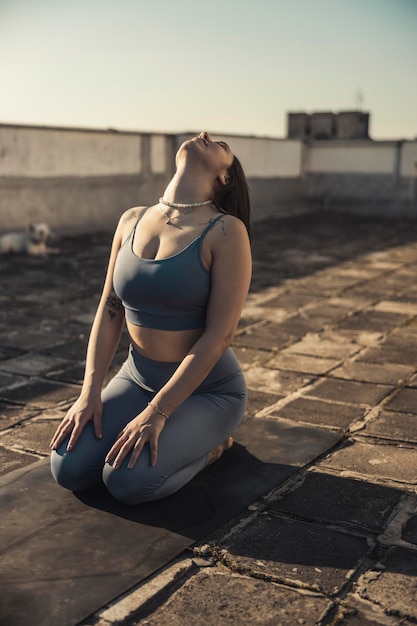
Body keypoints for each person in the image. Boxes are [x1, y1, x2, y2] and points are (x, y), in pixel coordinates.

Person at [50, 131, 252, 505]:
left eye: (222, 145)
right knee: (68, 468)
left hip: (207, 392)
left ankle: (213, 448)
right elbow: (110, 308)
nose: (206, 134)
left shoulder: (226, 231)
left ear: (224, 178)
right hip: (136, 378)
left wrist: (158, 412)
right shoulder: (132, 219)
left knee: (127, 483)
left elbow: (220, 336)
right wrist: (89, 392)